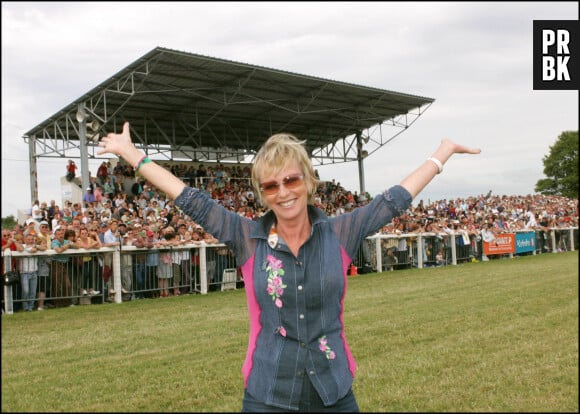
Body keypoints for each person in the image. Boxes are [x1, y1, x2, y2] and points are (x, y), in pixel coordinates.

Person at [98, 122, 480, 412]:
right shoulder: (246, 237)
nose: (283, 192)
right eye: (270, 186)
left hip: (334, 390)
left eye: (291, 179)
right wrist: (133, 155)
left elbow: (393, 200)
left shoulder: (340, 234)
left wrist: (441, 153)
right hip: (269, 393)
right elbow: (191, 199)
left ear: (309, 180)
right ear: (262, 194)